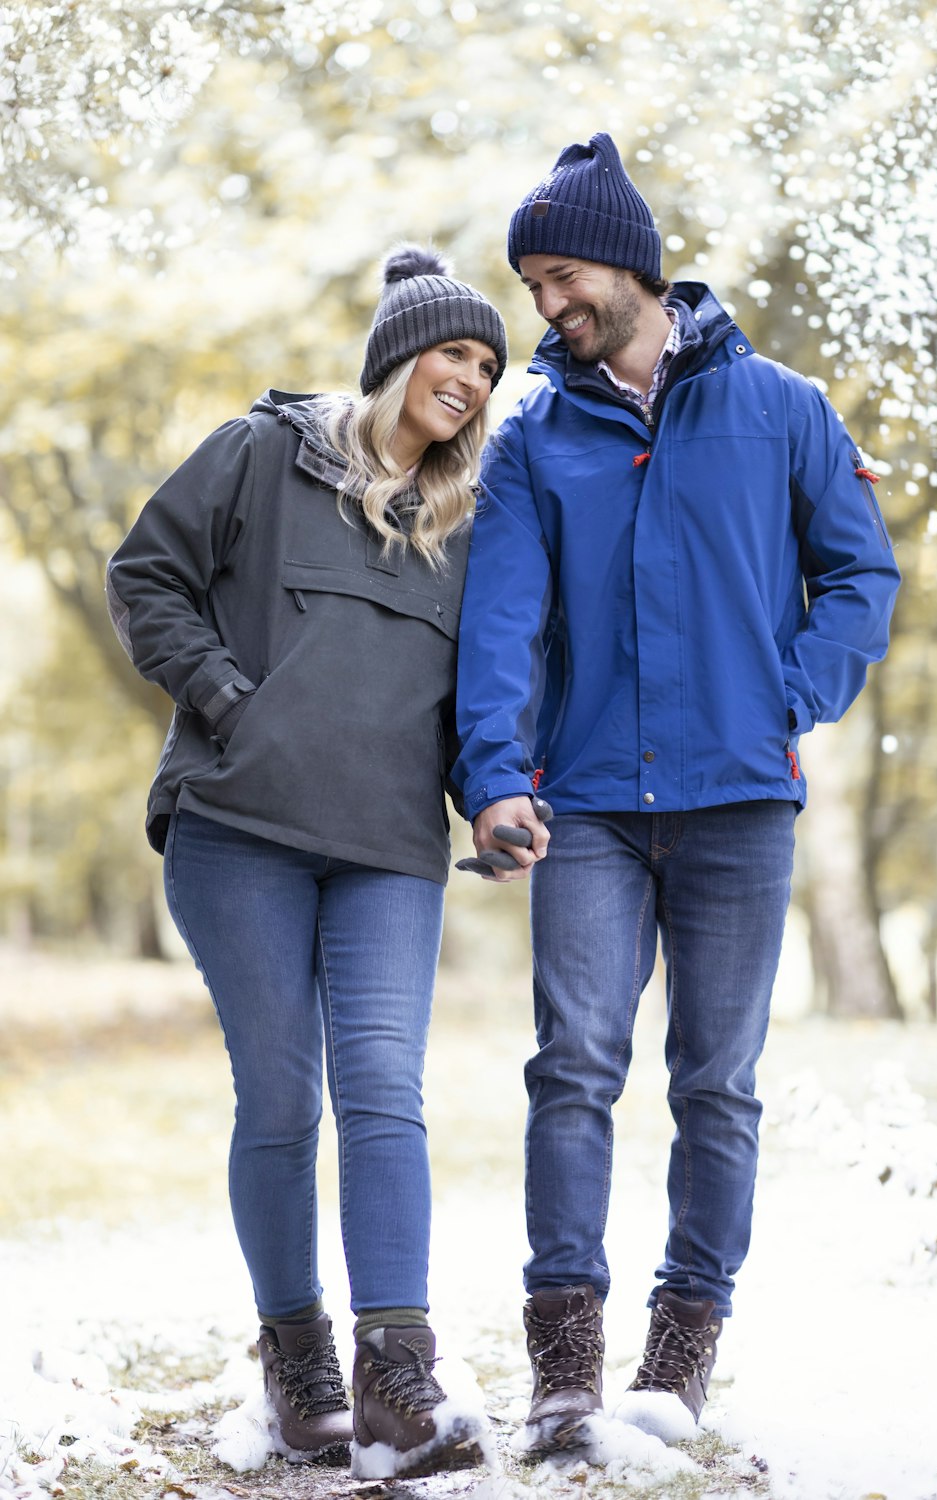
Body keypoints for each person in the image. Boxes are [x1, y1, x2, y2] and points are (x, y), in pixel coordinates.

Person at [452, 133, 901, 1454]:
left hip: (739, 807)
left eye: (565, 273)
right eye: (533, 285)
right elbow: (501, 621)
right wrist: (491, 775)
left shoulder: (784, 408)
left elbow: (858, 575)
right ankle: (565, 1377)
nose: (549, 304)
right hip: (585, 802)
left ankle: (679, 1361)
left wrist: (791, 694)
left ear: (636, 265)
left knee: (717, 1081)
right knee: (573, 1068)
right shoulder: (535, 431)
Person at [106, 247, 506, 1479]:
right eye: (456, 352)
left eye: (491, 368)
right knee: (282, 1097)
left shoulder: (463, 523)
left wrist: (492, 803)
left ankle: (398, 1372)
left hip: (389, 846)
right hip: (241, 834)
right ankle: (299, 1361)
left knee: (383, 1090)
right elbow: (146, 576)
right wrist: (231, 700)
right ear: (397, 355)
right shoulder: (257, 454)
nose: (474, 382)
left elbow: (474, 700)